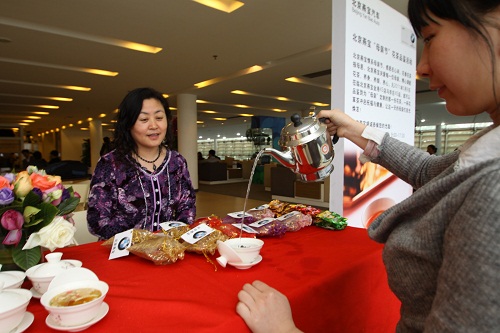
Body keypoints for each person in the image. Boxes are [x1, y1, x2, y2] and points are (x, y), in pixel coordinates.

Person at [237, 1, 500, 332]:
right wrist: (356, 131)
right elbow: (429, 171)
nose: (421, 66)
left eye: (430, 37)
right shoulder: (487, 146)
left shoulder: (493, 187)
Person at [87, 87, 196, 240]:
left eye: (159, 118)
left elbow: (187, 208)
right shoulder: (110, 164)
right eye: (144, 120)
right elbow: (97, 220)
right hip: (124, 254)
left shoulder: (177, 161)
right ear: (128, 124)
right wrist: (143, 244)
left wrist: (171, 240)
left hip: (168, 251)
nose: (154, 126)